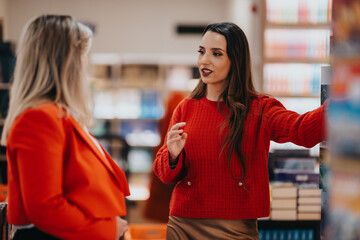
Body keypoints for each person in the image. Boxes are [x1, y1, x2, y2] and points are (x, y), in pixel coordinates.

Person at [153, 22, 327, 239]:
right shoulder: (186, 107)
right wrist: (172, 155)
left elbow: (302, 131)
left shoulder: (260, 108)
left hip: (236, 230)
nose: (204, 60)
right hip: (183, 225)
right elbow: (163, 174)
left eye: (216, 53)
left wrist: (343, 96)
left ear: (235, 60)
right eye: (201, 51)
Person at [1, 15, 129, 240]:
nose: (86, 62)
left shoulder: (58, 115)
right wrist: (109, 230)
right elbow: (45, 208)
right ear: (65, 62)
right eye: (82, 54)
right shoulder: (40, 119)